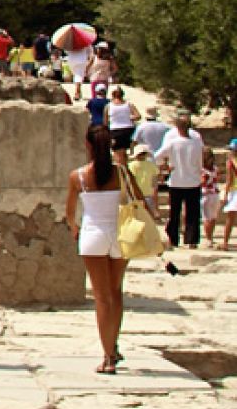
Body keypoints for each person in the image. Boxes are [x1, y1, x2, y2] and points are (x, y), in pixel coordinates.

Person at [66, 124, 141, 374]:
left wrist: (75, 229)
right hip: (120, 235)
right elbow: (139, 201)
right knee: (115, 292)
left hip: (93, 235)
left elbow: (69, 214)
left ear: (87, 144)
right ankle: (113, 345)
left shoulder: (78, 176)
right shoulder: (121, 173)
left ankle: (108, 355)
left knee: (101, 297)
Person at [153, 113, 208, 248]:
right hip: (193, 181)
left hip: (176, 181)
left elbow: (157, 156)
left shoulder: (172, 142)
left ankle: (173, 239)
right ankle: (192, 240)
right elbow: (201, 160)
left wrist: (166, 166)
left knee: (175, 212)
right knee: (193, 213)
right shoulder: (196, 142)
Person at [127, 144, 161, 212]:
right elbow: (154, 183)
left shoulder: (131, 165)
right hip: (148, 194)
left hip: (135, 195)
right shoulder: (151, 165)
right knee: (148, 216)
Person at [221, 144, 237, 251]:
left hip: (234, 191)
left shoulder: (231, 163)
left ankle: (225, 242)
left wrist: (225, 195)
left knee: (230, 219)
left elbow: (229, 180)